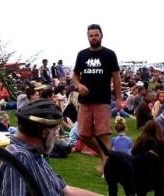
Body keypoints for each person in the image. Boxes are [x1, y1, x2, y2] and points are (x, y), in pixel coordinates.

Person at [0, 99, 101, 196]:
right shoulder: (20, 157)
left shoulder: (34, 154)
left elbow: (66, 191)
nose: (57, 136)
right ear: (44, 132)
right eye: (55, 131)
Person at [72, 24, 122, 174]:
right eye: (91, 35)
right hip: (85, 101)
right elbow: (74, 74)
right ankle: (104, 156)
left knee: (104, 134)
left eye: (96, 35)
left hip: (102, 100)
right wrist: (78, 85)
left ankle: (107, 168)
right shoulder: (82, 54)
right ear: (88, 37)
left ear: (101, 35)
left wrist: (118, 98)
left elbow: (116, 77)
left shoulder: (109, 54)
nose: (93, 38)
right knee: (84, 135)